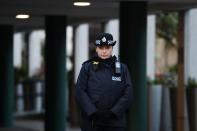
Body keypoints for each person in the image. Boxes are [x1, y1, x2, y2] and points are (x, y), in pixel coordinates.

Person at [76, 33, 133, 131]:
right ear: (97, 49)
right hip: (92, 122)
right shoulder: (87, 67)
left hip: (115, 123)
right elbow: (80, 91)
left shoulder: (122, 68)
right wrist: (93, 112)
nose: (104, 51)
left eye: (107, 47)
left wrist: (113, 112)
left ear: (112, 48)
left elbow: (128, 93)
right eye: (101, 47)